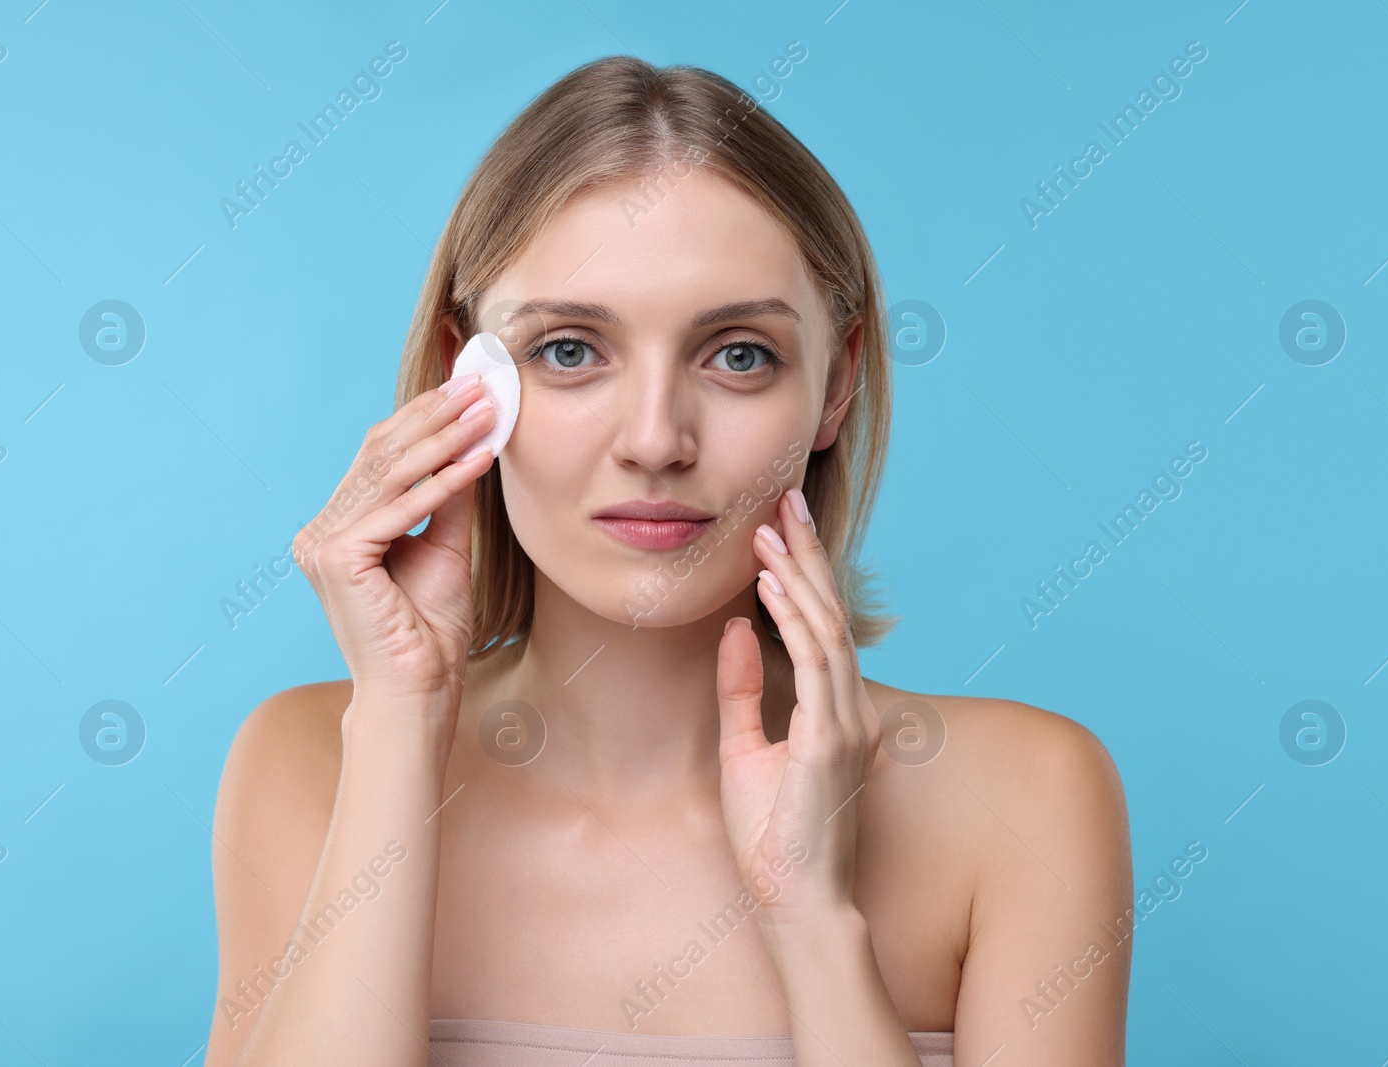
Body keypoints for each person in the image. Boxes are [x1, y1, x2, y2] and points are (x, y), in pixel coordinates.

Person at [203, 54, 1131, 1067]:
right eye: (569, 349)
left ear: (836, 385)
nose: (654, 438)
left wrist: (813, 919)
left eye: (738, 353)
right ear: (459, 375)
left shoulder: (1025, 799)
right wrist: (397, 724)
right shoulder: (308, 764)